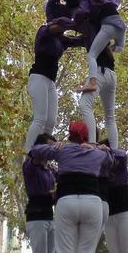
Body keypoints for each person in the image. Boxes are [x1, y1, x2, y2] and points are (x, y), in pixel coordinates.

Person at [27, 122, 113, 253]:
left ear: (70, 135)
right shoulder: (96, 153)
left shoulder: (62, 150)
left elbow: (34, 151)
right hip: (92, 201)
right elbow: (112, 161)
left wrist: (53, 146)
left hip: (66, 202)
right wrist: (100, 148)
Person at [23, 10, 86, 152]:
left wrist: (96, 32)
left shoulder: (61, 40)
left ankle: (44, 152)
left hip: (50, 82)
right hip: (38, 77)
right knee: (40, 118)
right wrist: (74, 23)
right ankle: (29, 153)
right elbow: (60, 25)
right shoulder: (44, 31)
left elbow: (80, 41)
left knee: (50, 122)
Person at [22, 135, 57, 253]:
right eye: (48, 148)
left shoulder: (50, 170)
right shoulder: (30, 166)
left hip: (49, 216)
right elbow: (34, 153)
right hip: (36, 217)